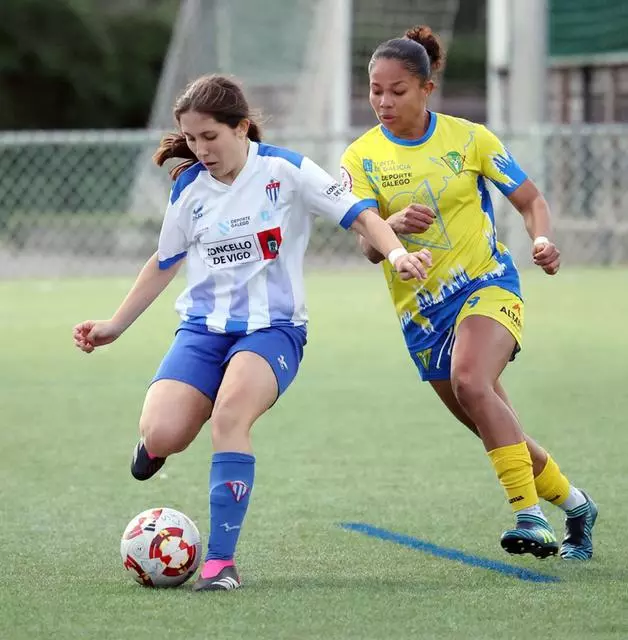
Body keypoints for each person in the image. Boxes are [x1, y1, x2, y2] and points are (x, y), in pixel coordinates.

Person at [73, 74, 432, 592]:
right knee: (164, 432)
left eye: (210, 137)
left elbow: (362, 217)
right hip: (202, 331)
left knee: (229, 417)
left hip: (273, 331)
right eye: (191, 138)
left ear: (241, 128)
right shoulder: (189, 187)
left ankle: (221, 563)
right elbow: (165, 260)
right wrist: (115, 324)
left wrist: (396, 254)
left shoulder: (287, 171)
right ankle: (156, 445)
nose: (201, 150)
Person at [341, 26, 597, 560]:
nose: (383, 102)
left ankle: (529, 517)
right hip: (422, 315)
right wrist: (393, 227)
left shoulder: (470, 138)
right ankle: (576, 506)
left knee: (470, 380)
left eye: (397, 91)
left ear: (427, 88)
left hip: (486, 284)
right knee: (490, 419)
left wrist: (542, 239)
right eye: (375, 90)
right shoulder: (360, 157)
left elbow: (530, 201)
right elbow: (368, 246)